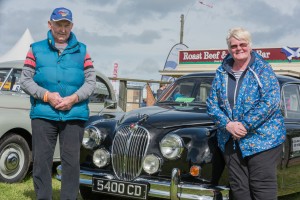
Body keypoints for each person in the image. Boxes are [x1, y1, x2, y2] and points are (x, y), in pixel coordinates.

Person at [20, 7, 96, 200]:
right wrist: (47, 96)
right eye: (58, 24)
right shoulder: (35, 49)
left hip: (74, 114)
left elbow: (91, 82)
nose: (62, 29)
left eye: (66, 25)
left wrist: (74, 98)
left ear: (72, 26)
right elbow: (25, 80)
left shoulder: (83, 50)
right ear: (50, 24)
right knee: (41, 162)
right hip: (43, 114)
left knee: (71, 163)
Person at [206, 27, 286, 200]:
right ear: (229, 49)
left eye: (243, 44)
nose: (238, 48)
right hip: (231, 139)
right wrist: (228, 124)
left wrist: (244, 124)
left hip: (263, 139)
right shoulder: (222, 72)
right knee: (239, 189)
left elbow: (270, 100)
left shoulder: (263, 69)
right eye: (234, 46)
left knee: (261, 187)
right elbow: (212, 104)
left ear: (250, 46)